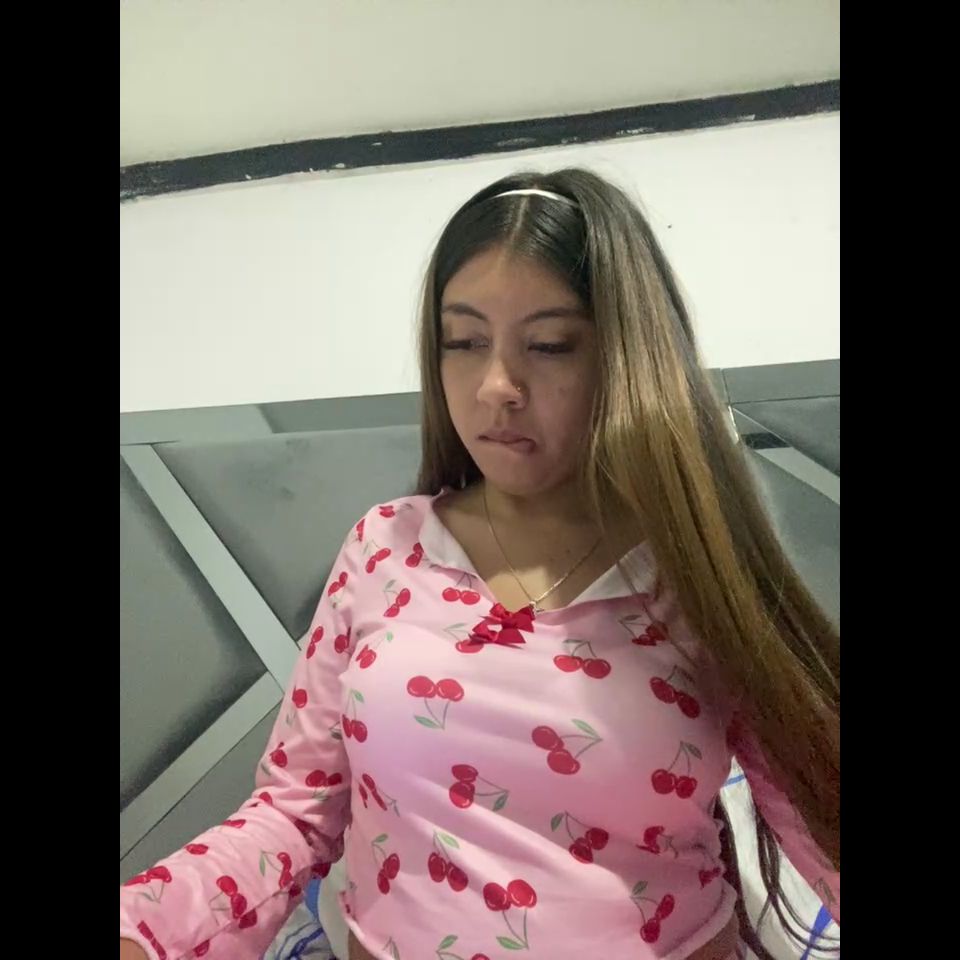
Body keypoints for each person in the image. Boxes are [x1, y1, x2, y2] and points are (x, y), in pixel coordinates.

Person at [120, 168, 839, 960]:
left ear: (628, 358)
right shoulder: (384, 548)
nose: (497, 385)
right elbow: (293, 814)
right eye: (462, 342)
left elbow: (820, 810)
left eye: (550, 345)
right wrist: (145, 929)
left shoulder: (697, 572)